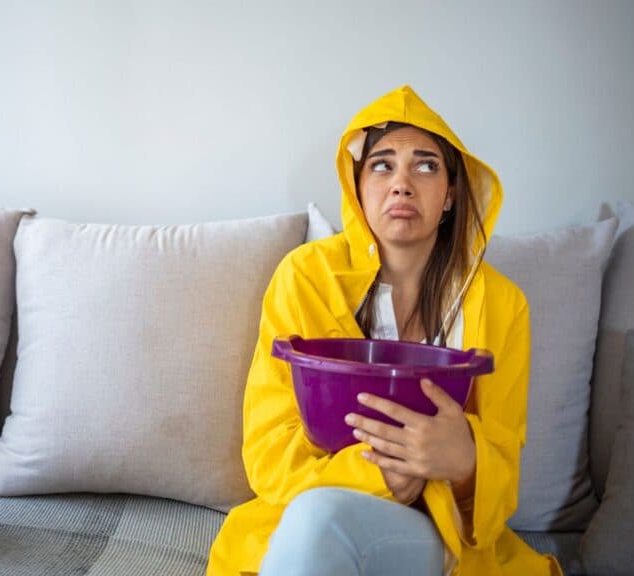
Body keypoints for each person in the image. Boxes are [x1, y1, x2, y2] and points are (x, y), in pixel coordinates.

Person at [206, 86, 562, 576]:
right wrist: (379, 476)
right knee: (318, 520)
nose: (402, 185)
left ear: (451, 193)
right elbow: (269, 452)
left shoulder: (503, 304)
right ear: (356, 186)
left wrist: (465, 464)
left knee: (320, 522)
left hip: (436, 538)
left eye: (426, 166)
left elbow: (502, 477)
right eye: (382, 165)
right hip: (309, 521)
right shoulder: (304, 278)